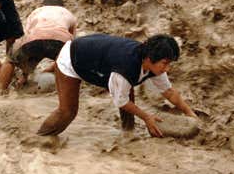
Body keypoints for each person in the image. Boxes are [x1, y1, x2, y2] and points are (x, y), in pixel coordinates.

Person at [37, 33, 197, 137]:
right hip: (72, 59)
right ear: (150, 57)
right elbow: (120, 101)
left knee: (128, 94)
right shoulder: (125, 67)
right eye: (165, 63)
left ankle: (127, 134)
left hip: (98, 56)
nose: (167, 69)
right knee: (68, 111)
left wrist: (190, 113)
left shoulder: (151, 64)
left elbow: (169, 92)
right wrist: (147, 117)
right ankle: (40, 139)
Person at [7, 0, 77, 86]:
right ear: (62, 6)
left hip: (35, 38)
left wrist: (26, 69)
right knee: (67, 57)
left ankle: (2, 90)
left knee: (10, 60)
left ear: (43, 5)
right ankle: (69, 84)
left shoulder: (36, 12)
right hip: (60, 39)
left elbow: (28, 36)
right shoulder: (67, 13)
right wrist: (52, 68)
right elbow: (71, 42)